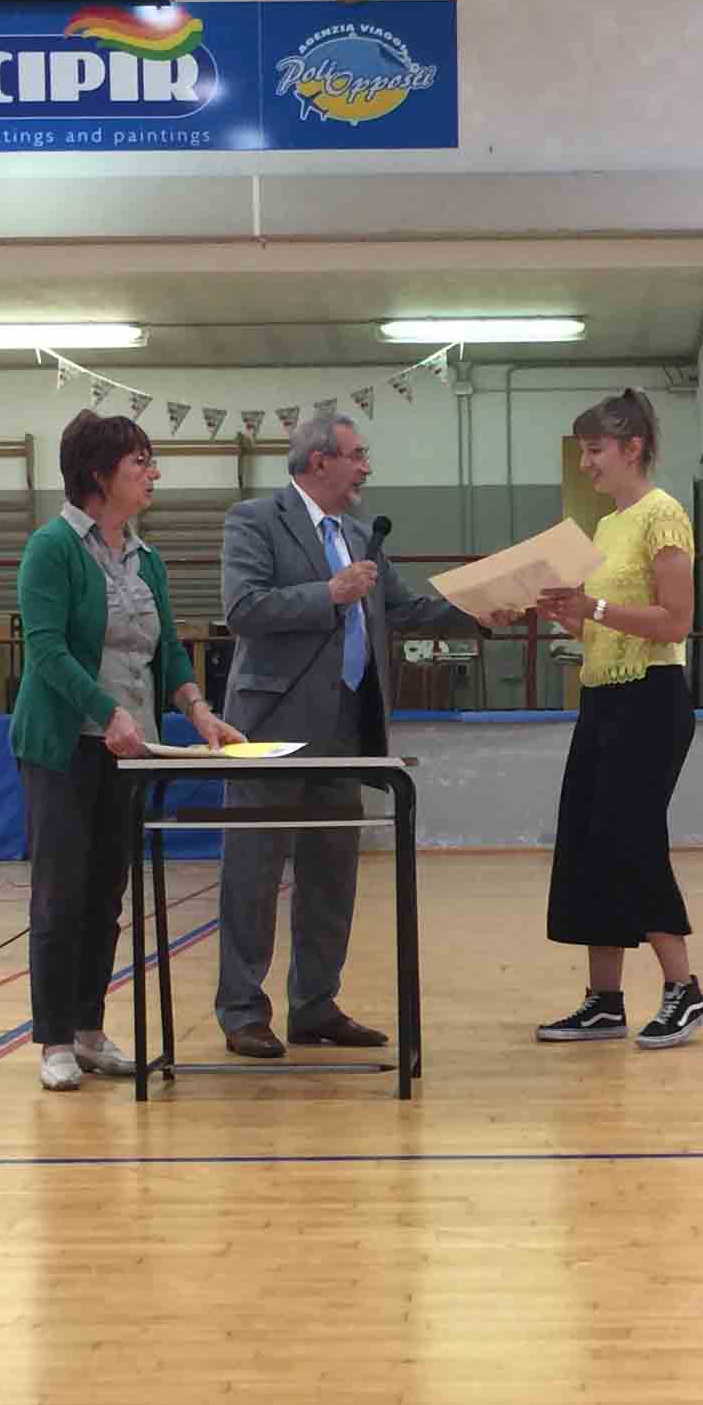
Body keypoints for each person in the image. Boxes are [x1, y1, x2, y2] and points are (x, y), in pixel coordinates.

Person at [214, 410, 497, 1058]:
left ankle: (314, 1006)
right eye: (357, 455)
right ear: (320, 462)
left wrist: (480, 612)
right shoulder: (254, 521)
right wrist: (330, 592)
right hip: (271, 730)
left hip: (347, 725)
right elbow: (243, 608)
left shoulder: (362, 533)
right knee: (254, 874)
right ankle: (242, 1012)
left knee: (331, 876)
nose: (366, 467)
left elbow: (404, 608)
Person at [12, 410, 240, 1091]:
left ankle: (89, 1031)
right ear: (98, 474)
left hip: (131, 749)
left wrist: (199, 710)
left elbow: (167, 650)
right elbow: (45, 650)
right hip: (64, 748)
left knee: (107, 896)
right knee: (60, 896)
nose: (153, 474)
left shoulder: (148, 559)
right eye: (140, 462)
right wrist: (105, 711)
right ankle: (54, 1040)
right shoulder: (51, 548)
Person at [531, 387, 703, 1050]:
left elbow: (675, 621)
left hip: (651, 702)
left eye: (595, 450)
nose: (586, 464)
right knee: (588, 842)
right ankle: (604, 1001)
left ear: (633, 447)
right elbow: (602, 625)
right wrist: (570, 615)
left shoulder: (664, 516)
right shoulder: (606, 528)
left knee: (633, 841)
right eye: (583, 452)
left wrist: (595, 609)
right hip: (602, 697)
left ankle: (683, 989)